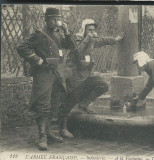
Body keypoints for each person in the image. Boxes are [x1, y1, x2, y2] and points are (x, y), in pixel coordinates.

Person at [16, 7, 76, 150]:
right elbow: (21, 47)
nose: (56, 22)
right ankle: (42, 136)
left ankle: (49, 133)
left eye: (58, 19)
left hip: (57, 73)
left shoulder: (59, 35)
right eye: (53, 19)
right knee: (43, 106)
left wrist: (67, 32)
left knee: (54, 104)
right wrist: (38, 60)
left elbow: (72, 46)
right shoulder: (39, 34)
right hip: (43, 74)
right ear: (46, 19)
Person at [56, 19, 125, 138]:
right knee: (68, 103)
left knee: (103, 85)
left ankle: (84, 104)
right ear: (83, 30)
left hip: (86, 75)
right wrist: (88, 38)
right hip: (75, 77)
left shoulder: (92, 40)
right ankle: (62, 128)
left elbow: (102, 40)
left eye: (93, 30)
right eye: (89, 30)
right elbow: (78, 51)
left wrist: (115, 39)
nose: (92, 32)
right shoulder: (75, 39)